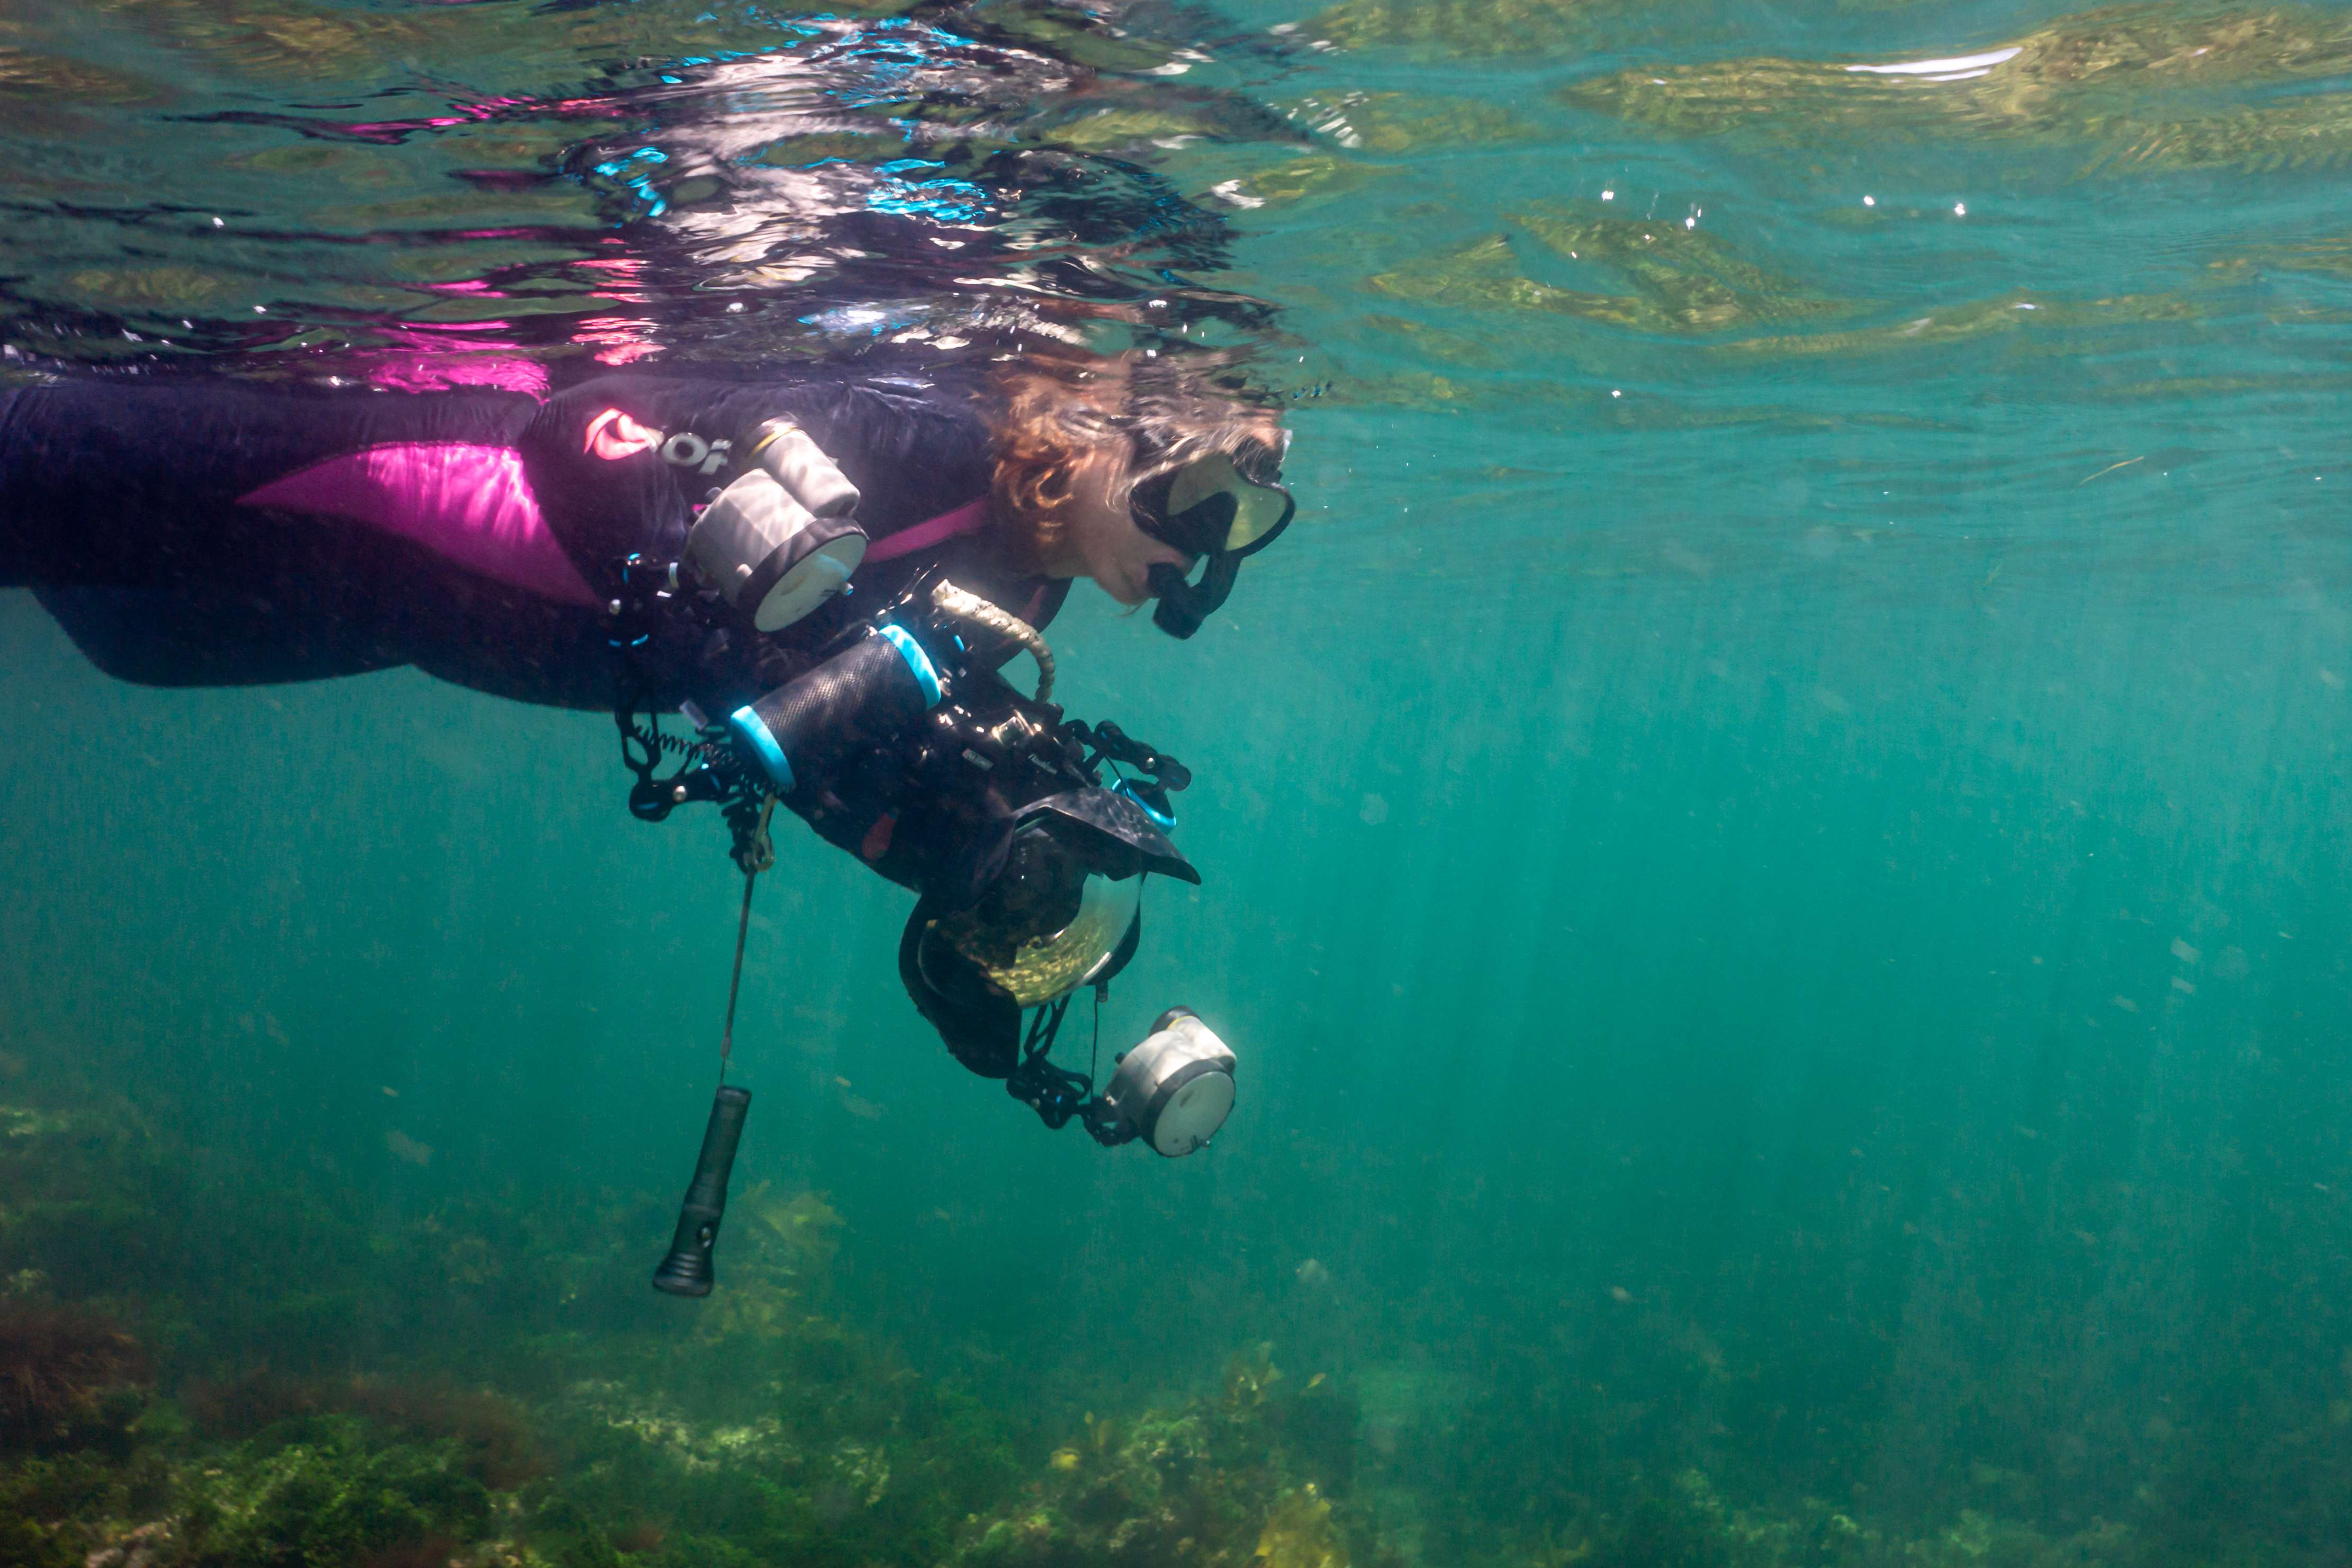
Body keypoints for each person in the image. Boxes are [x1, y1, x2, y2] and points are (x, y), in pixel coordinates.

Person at [0, 347, 1295, 717]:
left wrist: (969, 858)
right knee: (31, 464)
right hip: (414, 494)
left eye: (1246, 528)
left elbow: (833, 737)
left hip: (417, 622)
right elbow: (592, 419)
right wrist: (688, 595)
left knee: (137, 644)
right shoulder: (937, 446)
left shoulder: (1027, 606)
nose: (1202, 556)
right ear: (1115, 438)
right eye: (1202, 499)